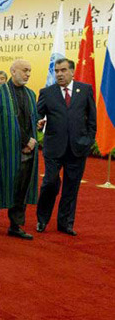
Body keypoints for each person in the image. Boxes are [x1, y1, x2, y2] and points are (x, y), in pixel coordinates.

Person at [36, 58, 96, 236]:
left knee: (72, 187)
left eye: (63, 70)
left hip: (78, 148)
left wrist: (88, 140)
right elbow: (37, 114)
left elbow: (92, 118)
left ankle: (65, 223)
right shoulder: (47, 92)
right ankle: (42, 219)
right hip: (54, 147)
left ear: (72, 72)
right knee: (50, 183)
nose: (59, 74)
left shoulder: (85, 90)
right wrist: (38, 121)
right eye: (57, 71)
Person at [0, 60, 39, 240]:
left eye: (30, 71)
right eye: (24, 70)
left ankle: (15, 225)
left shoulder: (31, 94)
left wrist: (32, 141)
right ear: (13, 71)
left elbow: (30, 121)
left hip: (27, 151)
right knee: (0, 187)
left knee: (22, 189)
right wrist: (25, 140)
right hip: (5, 152)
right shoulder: (0, 93)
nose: (28, 74)